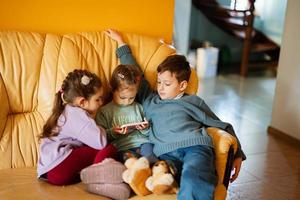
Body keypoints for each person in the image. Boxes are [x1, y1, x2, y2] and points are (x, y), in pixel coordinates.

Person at [105, 29, 246, 200]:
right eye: (158, 82)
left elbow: (220, 124)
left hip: (195, 147)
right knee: (164, 175)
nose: (161, 87)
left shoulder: (193, 101)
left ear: (182, 85)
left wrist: (238, 155)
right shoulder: (150, 99)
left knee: (194, 175)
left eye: (167, 83)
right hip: (165, 155)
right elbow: (134, 72)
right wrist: (121, 43)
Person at [37, 69, 117, 186]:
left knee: (90, 153)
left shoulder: (66, 110)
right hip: (59, 167)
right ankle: (98, 181)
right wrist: (104, 129)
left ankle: (89, 175)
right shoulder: (77, 115)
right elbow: (101, 142)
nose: (101, 103)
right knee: (110, 149)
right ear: (82, 102)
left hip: (49, 171)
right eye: (97, 99)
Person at [95, 63, 158, 164]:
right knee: (129, 161)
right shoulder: (104, 112)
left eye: (132, 97)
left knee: (150, 155)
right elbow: (100, 136)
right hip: (122, 148)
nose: (127, 101)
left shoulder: (138, 107)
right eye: (123, 97)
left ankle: (157, 170)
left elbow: (147, 133)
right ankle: (138, 172)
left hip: (143, 143)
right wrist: (114, 132)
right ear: (112, 89)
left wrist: (145, 128)